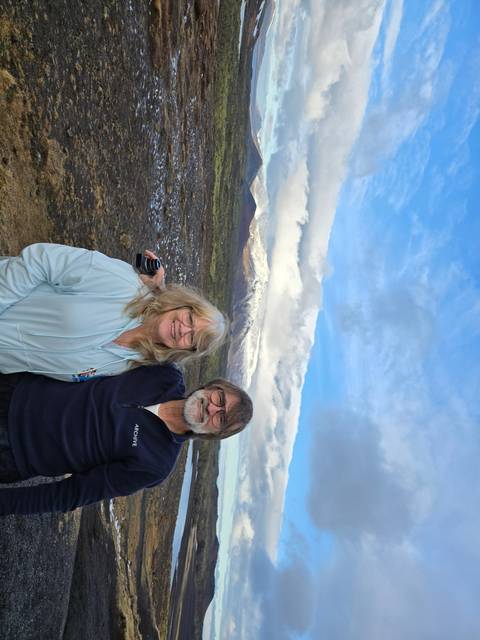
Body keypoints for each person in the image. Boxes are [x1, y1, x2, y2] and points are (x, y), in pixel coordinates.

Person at [0, 365, 253, 515]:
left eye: (221, 419)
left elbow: (71, 494)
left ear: (212, 434)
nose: (211, 409)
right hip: (15, 388)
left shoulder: (157, 464)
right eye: (219, 399)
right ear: (212, 387)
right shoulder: (165, 374)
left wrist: (6, 504)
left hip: (13, 455)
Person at [0, 243, 228, 381]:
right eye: (190, 318)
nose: (183, 329)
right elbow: (41, 260)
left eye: (192, 337)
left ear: (186, 349)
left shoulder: (128, 365)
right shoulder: (123, 284)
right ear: (182, 304)